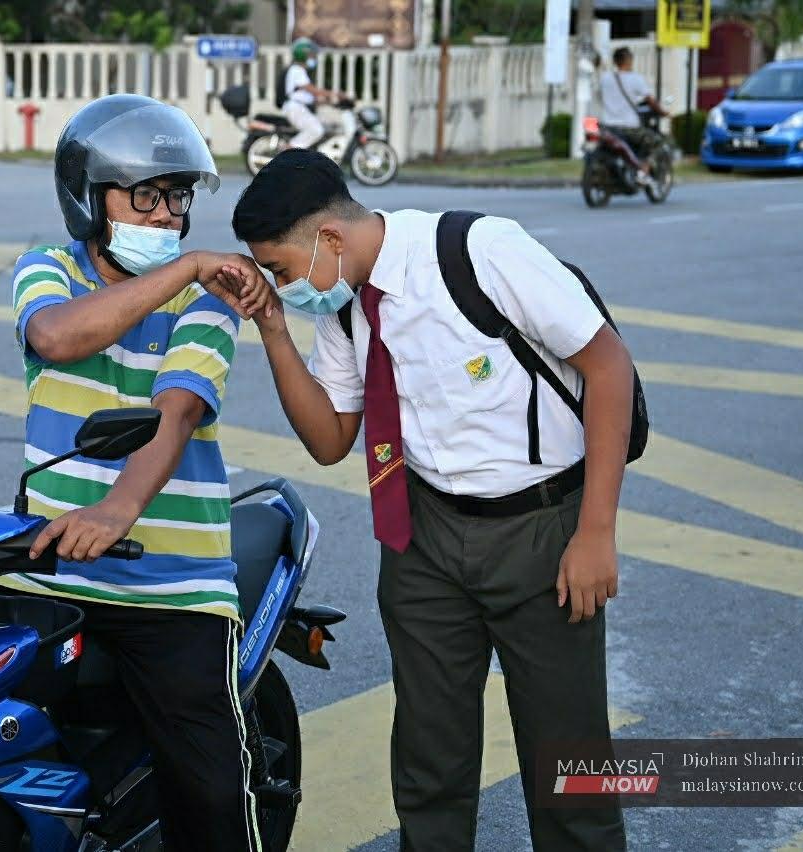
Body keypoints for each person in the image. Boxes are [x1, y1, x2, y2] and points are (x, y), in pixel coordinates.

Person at [229, 149, 633, 851]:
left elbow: (608, 366)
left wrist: (595, 531)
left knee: (568, 766)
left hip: (541, 529)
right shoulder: (345, 307)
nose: (282, 286)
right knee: (428, 763)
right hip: (425, 536)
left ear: (329, 238)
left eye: (282, 270)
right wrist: (272, 328)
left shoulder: (479, 252)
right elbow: (329, 439)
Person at [2, 93, 268, 852]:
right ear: (88, 198)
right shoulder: (47, 270)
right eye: (146, 196)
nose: (166, 217)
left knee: (213, 797)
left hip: (175, 588)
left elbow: (176, 412)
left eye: (177, 198)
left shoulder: (210, 299)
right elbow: (55, 338)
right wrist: (184, 264)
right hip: (50, 569)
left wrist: (117, 510)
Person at [600, 47, 669, 181]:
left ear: (615, 61)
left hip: (608, 127)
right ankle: (643, 170)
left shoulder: (605, 78)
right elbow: (651, 101)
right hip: (629, 128)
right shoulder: (635, 79)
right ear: (628, 60)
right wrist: (663, 112)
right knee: (658, 143)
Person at [282, 37, 344, 150]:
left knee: (324, 126)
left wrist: (328, 102)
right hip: (296, 108)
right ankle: (287, 150)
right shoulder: (297, 70)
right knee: (316, 130)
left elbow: (308, 96)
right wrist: (333, 94)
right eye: (311, 55)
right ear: (303, 55)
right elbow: (311, 90)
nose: (313, 58)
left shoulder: (299, 71)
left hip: (300, 107)